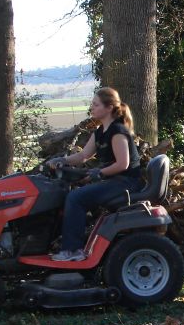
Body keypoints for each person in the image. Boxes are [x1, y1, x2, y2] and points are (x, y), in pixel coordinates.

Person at [46, 87, 143, 261]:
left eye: (96, 105)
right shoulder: (100, 132)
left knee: (76, 198)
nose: (92, 108)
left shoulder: (117, 131)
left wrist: (100, 172)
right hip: (114, 180)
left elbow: (123, 164)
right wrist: (62, 160)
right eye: (92, 104)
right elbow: (83, 156)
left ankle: (73, 251)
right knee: (67, 194)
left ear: (109, 108)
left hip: (126, 183)